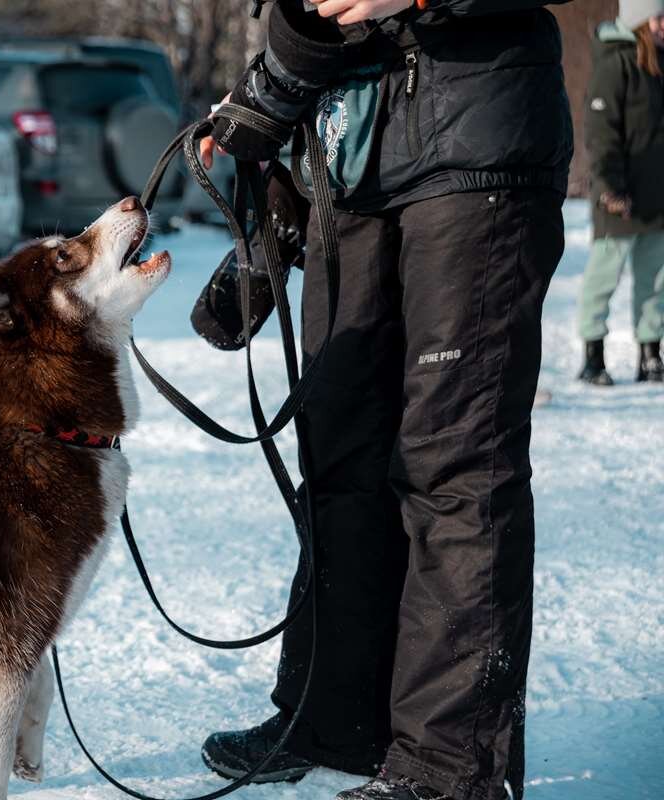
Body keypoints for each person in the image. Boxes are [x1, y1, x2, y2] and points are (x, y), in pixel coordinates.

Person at [194, 2, 572, 800]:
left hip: (475, 150)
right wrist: (265, 94)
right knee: (339, 458)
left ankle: (449, 766)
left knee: (453, 466)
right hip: (348, 171)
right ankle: (333, 718)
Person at [576, 0, 664, 385]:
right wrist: (610, 188)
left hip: (657, 196)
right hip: (619, 199)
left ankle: (650, 355)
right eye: (659, 17)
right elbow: (601, 134)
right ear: (640, 21)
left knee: (656, 280)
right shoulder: (616, 65)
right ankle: (593, 356)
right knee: (603, 279)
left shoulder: (660, 64)